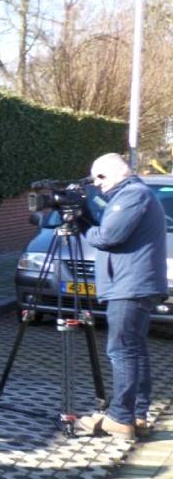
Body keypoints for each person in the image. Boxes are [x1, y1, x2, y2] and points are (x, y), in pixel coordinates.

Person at [76, 153, 167, 440]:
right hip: (132, 284)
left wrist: (83, 226)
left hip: (130, 286)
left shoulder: (133, 194)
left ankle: (120, 417)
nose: (97, 184)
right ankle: (136, 414)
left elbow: (108, 237)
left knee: (122, 351)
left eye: (100, 177)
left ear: (117, 173)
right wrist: (84, 216)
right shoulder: (132, 195)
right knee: (134, 349)